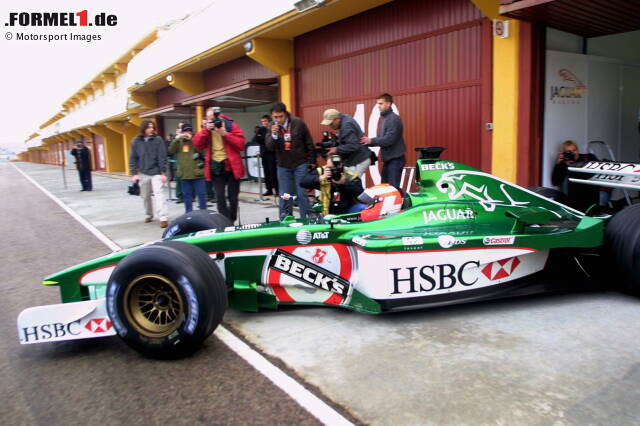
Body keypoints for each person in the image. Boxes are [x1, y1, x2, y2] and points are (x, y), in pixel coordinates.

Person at [192, 107, 245, 223]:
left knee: (233, 197)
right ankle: (225, 222)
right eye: (209, 119)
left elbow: (241, 144)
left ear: (219, 116)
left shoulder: (230, 125)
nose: (213, 121)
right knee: (220, 196)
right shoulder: (206, 130)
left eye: (214, 118)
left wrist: (225, 133)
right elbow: (197, 145)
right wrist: (206, 130)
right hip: (216, 167)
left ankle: (232, 219)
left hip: (231, 167)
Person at [265, 102, 315, 219]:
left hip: (300, 163)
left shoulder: (298, 123)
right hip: (283, 166)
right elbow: (269, 147)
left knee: (302, 193)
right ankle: (286, 219)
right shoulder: (271, 126)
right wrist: (274, 135)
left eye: (280, 116)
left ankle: (306, 219)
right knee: (286, 195)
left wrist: (312, 161)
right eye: (275, 117)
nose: (278, 120)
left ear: (285, 114)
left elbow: (308, 142)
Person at [360, 93, 406, 191]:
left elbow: (389, 139)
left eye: (381, 103)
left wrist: (370, 140)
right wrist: (368, 141)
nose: (378, 106)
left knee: (393, 190)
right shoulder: (386, 119)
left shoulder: (393, 119)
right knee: (386, 190)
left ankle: (401, 206)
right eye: (377, 104)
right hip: (389, 160)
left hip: (395, 160)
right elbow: (382, 138)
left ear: (389, 104)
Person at [129, 120, 169, 228]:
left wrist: (163, 172)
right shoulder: (136, 141)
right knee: (145, 196)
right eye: (149, 127)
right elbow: (133, 158)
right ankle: (149, 214)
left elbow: (162, 156)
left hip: (156, 172)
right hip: (143, 173)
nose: (151, 129)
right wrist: (134, 173)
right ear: (143, 129)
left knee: (159, 194)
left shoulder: (158, 140)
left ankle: (163, 217)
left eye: (152, 127)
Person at [300, 154, 365, 216]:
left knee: (362, 207)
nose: (333, 170)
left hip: (347, 209)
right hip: (327, 211)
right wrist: (321, 177)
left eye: (335, 167)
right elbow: (303, 182)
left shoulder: (349, 174)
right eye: (330, 167)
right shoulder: (322, 171)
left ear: (341, 165)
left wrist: (345, 183)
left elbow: (360, 194)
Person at [321, 108, 372, 178]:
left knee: (351, 184)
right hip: (358, 158)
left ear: (337, 119)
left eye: (331, 123)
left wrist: (337, 149)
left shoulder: (346, 126)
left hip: (360, 160)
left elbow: (353, 145)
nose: (330, 126)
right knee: (349, 184)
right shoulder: (344, 118)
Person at [168, 123, 207, 213]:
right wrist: (176, 139)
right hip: (184, 174)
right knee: (187, 195)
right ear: (182, 132)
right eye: (185, 131)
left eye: (189, 131)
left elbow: (201, 150)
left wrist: (192, 140)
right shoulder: (179, 142)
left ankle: (204, 213)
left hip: (197, 173)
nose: (187, 133)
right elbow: (170, 151)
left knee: (201, 194)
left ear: (192, 132)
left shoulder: (196, 139)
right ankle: (189, 214)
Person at [551, 140, 599, 212]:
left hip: (588, 196)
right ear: (564, 153)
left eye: (574, 150)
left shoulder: (588, 158)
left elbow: (596, 173)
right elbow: (555, 182)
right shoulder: (563, 164)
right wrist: (558, 164)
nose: (572, 153)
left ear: (578, 150)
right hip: (571, 200)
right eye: (569, 152)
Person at [252, 114, 278, 196]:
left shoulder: (273, 128)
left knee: (274, 172)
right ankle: (269, 189)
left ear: (269, 121)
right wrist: (266, 139)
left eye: (265, 121)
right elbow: (255, 139)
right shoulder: (261, 129)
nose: (264, 123)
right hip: (264, 153)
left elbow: (274, 139)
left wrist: (264, 138)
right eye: (262, 121)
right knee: (266, 172)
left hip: (273, 153)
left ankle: (277, 190)